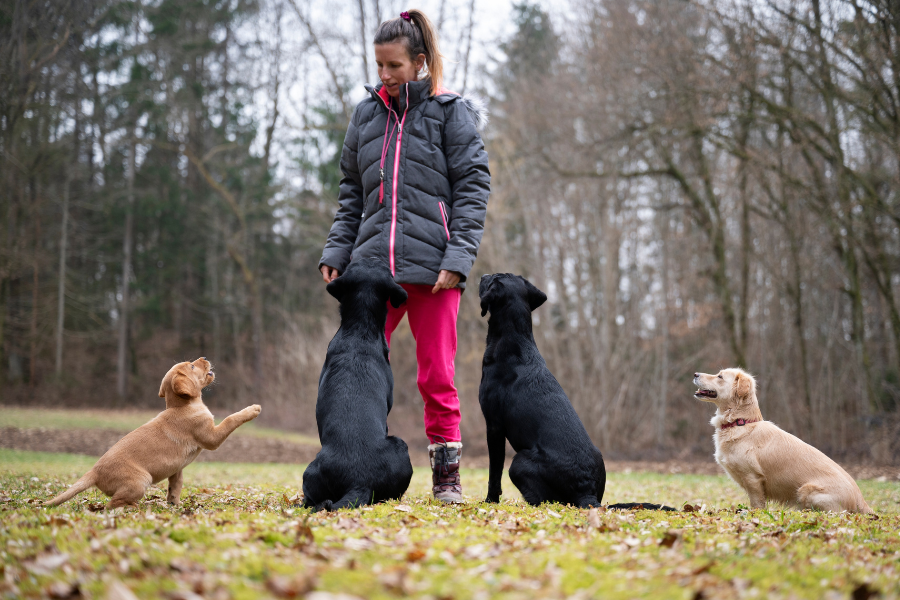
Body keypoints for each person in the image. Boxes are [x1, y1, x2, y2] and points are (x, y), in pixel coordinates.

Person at [318, 9, 490, 503]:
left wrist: (457, 259)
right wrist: (338, 249)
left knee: (436, 375)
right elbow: (353, 190)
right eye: (379, 66)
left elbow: (473, 189)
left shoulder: (449, 112)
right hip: (371, 271)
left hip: (435, 270)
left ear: (419, 62)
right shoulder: (365, 115)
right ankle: (353, 466)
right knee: (355, 372)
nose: (385, 76)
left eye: (393, 66)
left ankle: (446, 478)